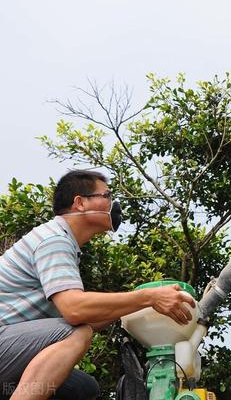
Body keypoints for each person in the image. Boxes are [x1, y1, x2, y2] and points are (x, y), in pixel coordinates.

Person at [0, 170, 195, 400]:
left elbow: (88, 317)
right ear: (80, 203)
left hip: (8, 351)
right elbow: (75, 311)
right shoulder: (54, 240)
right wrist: (148, 297)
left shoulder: (63, 244)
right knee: (76, 333)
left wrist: (138, 304)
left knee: (83, 388)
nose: (113, 204)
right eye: (107, 195)